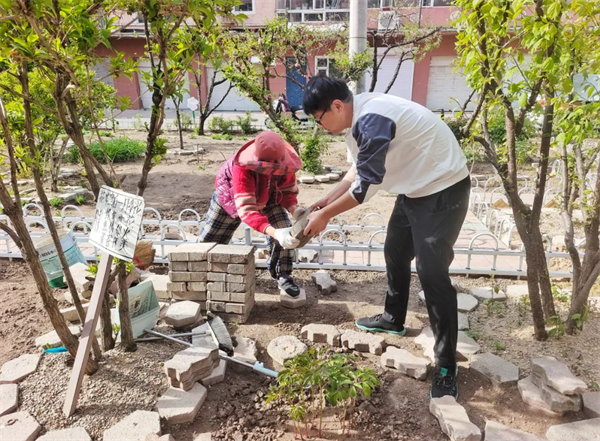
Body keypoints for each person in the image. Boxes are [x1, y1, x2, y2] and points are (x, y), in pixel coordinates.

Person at [302, 76, 471, 398]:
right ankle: (393, 318)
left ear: (336, 106)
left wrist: (325, 215)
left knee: (431, 271)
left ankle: (447, 363)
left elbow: (366, 187)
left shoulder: (372, 119)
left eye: (319, 118)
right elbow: (355, 171)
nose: (320, 126)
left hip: (443, 189)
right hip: (415, 187)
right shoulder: (358, 117)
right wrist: (325, 198)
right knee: (395, 250)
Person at [200, 131, 303, 296]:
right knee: (210, 240)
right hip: (232, 198)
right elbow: (247, 210)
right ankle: (200, 274)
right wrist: (275, 233)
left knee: (285, 227)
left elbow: (287, 191)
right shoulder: (241, 167)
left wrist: (295, 210)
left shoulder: (285, 164)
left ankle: (283, 275)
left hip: (269, 196)